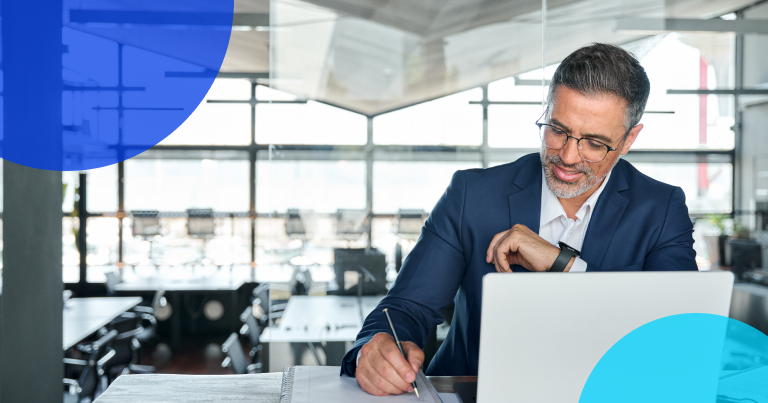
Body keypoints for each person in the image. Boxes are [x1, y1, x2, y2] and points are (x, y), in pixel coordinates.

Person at [341, 43, 698, 396]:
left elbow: (677, 341)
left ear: (629, 139)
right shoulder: (472, 195)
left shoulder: (661, 209)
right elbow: (406, 308)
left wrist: (563, 265)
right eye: (557, 129)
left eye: (594, 143)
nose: (568, 156)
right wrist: (373, 350)